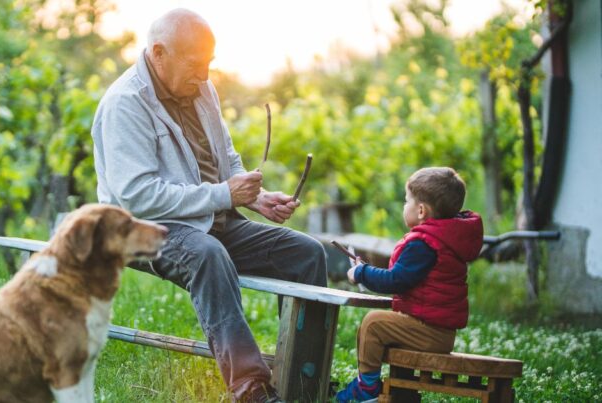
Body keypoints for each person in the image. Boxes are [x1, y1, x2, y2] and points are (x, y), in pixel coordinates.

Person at [91, 8, 328, 402]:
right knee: (208, 255)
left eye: (209, 65)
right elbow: (137, 196)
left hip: (209, 219)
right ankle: (251, 389)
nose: (204, 75)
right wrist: (223, 195)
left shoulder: (202, 88)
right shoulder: (125, 104)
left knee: (306, 253)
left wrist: (257, 199)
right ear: (159, 53)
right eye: (195, 65)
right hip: (142, 228)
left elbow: (226, 157)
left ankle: (307, 382)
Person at [336, 167, 483, 403]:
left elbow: (396, 280)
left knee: (374, 324)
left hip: (429, 331)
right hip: (436, 330)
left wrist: (361, 273)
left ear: (422, 210)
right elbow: (406, 276)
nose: (405, 206)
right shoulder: (441, 239)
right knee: (381, 324)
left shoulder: (425, 244)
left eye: (407, 201)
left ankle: (367, 388)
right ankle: (398, 391)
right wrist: (368, 269)